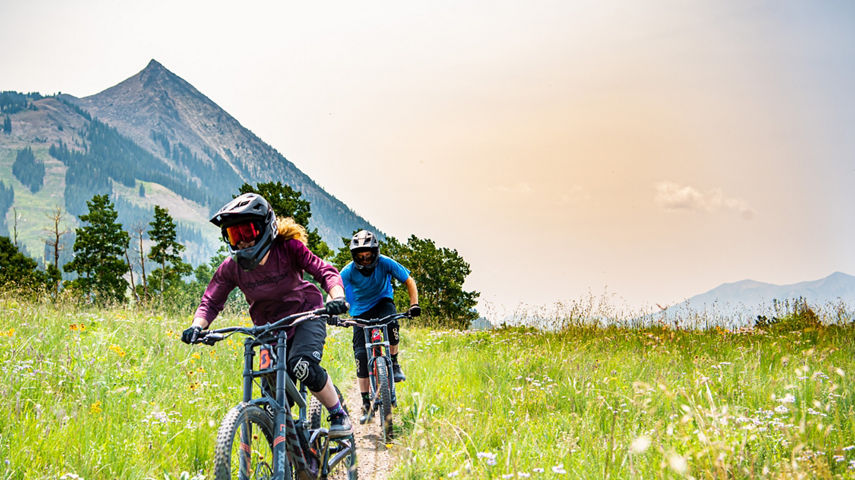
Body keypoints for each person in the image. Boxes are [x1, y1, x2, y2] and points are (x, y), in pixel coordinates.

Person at [180, 193, 352, 437]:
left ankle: (337, 413)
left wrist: (336, 297)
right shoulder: (232, 267)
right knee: (272, 399)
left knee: (302, 366)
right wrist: (198, 326)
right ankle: (290, 452)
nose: (241, 243)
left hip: (306, 315)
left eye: (246, 233)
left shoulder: (289, 249)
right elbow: (211, 299)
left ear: (266, 228)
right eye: (233, 235)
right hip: (268, 329)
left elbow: (325, 271)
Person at [339, 230, 420, 422]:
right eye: (361, 257)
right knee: (360, 354)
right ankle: (366, 403)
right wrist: (332, 308)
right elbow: (335, 288)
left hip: (383, 302)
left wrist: (414, 304)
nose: (365, 260)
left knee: (392, 324)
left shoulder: (385, 262)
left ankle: (394, 361)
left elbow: (409, 281)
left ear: (375, 253)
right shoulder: (348, 271)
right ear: (354, 256)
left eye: (368, 256)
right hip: (360, 311)